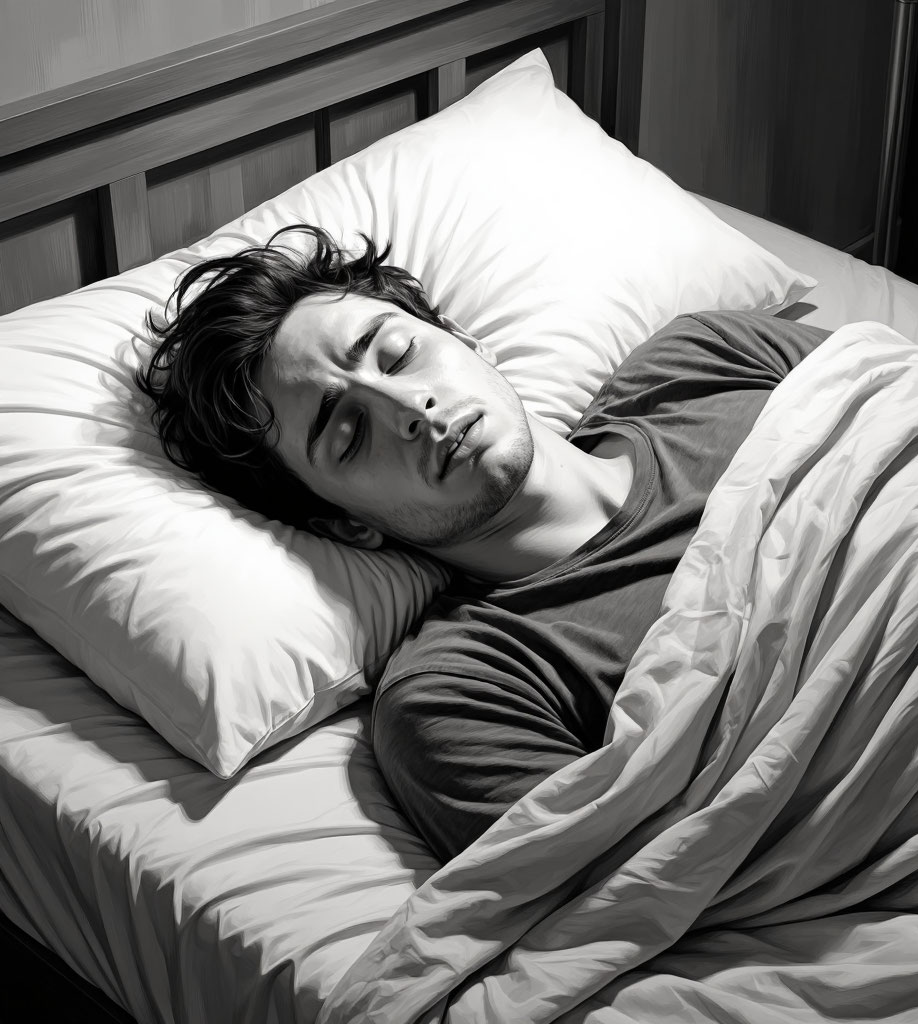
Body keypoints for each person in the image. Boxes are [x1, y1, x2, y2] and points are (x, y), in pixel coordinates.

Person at [138, 224, 830, 862]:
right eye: (349, 434)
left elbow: (899, 397)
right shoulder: (463, 690)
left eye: (398, 354)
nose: (411, 409)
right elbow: (645, 886)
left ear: (466, 340)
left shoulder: (703, 360)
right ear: (347, 525)